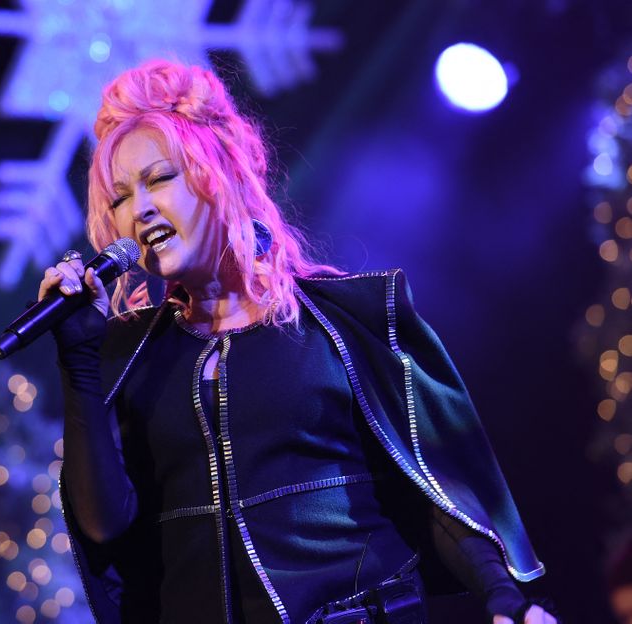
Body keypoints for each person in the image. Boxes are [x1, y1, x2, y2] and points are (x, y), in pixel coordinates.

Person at [39, 59, 556, 623]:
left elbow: (435, 486)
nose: (137, 210)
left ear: (222, 174)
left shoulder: (344, 320)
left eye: (160, 178)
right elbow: (103, 523)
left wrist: (507, 599)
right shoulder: (129, 355)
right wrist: (80, 362)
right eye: (118, 198)